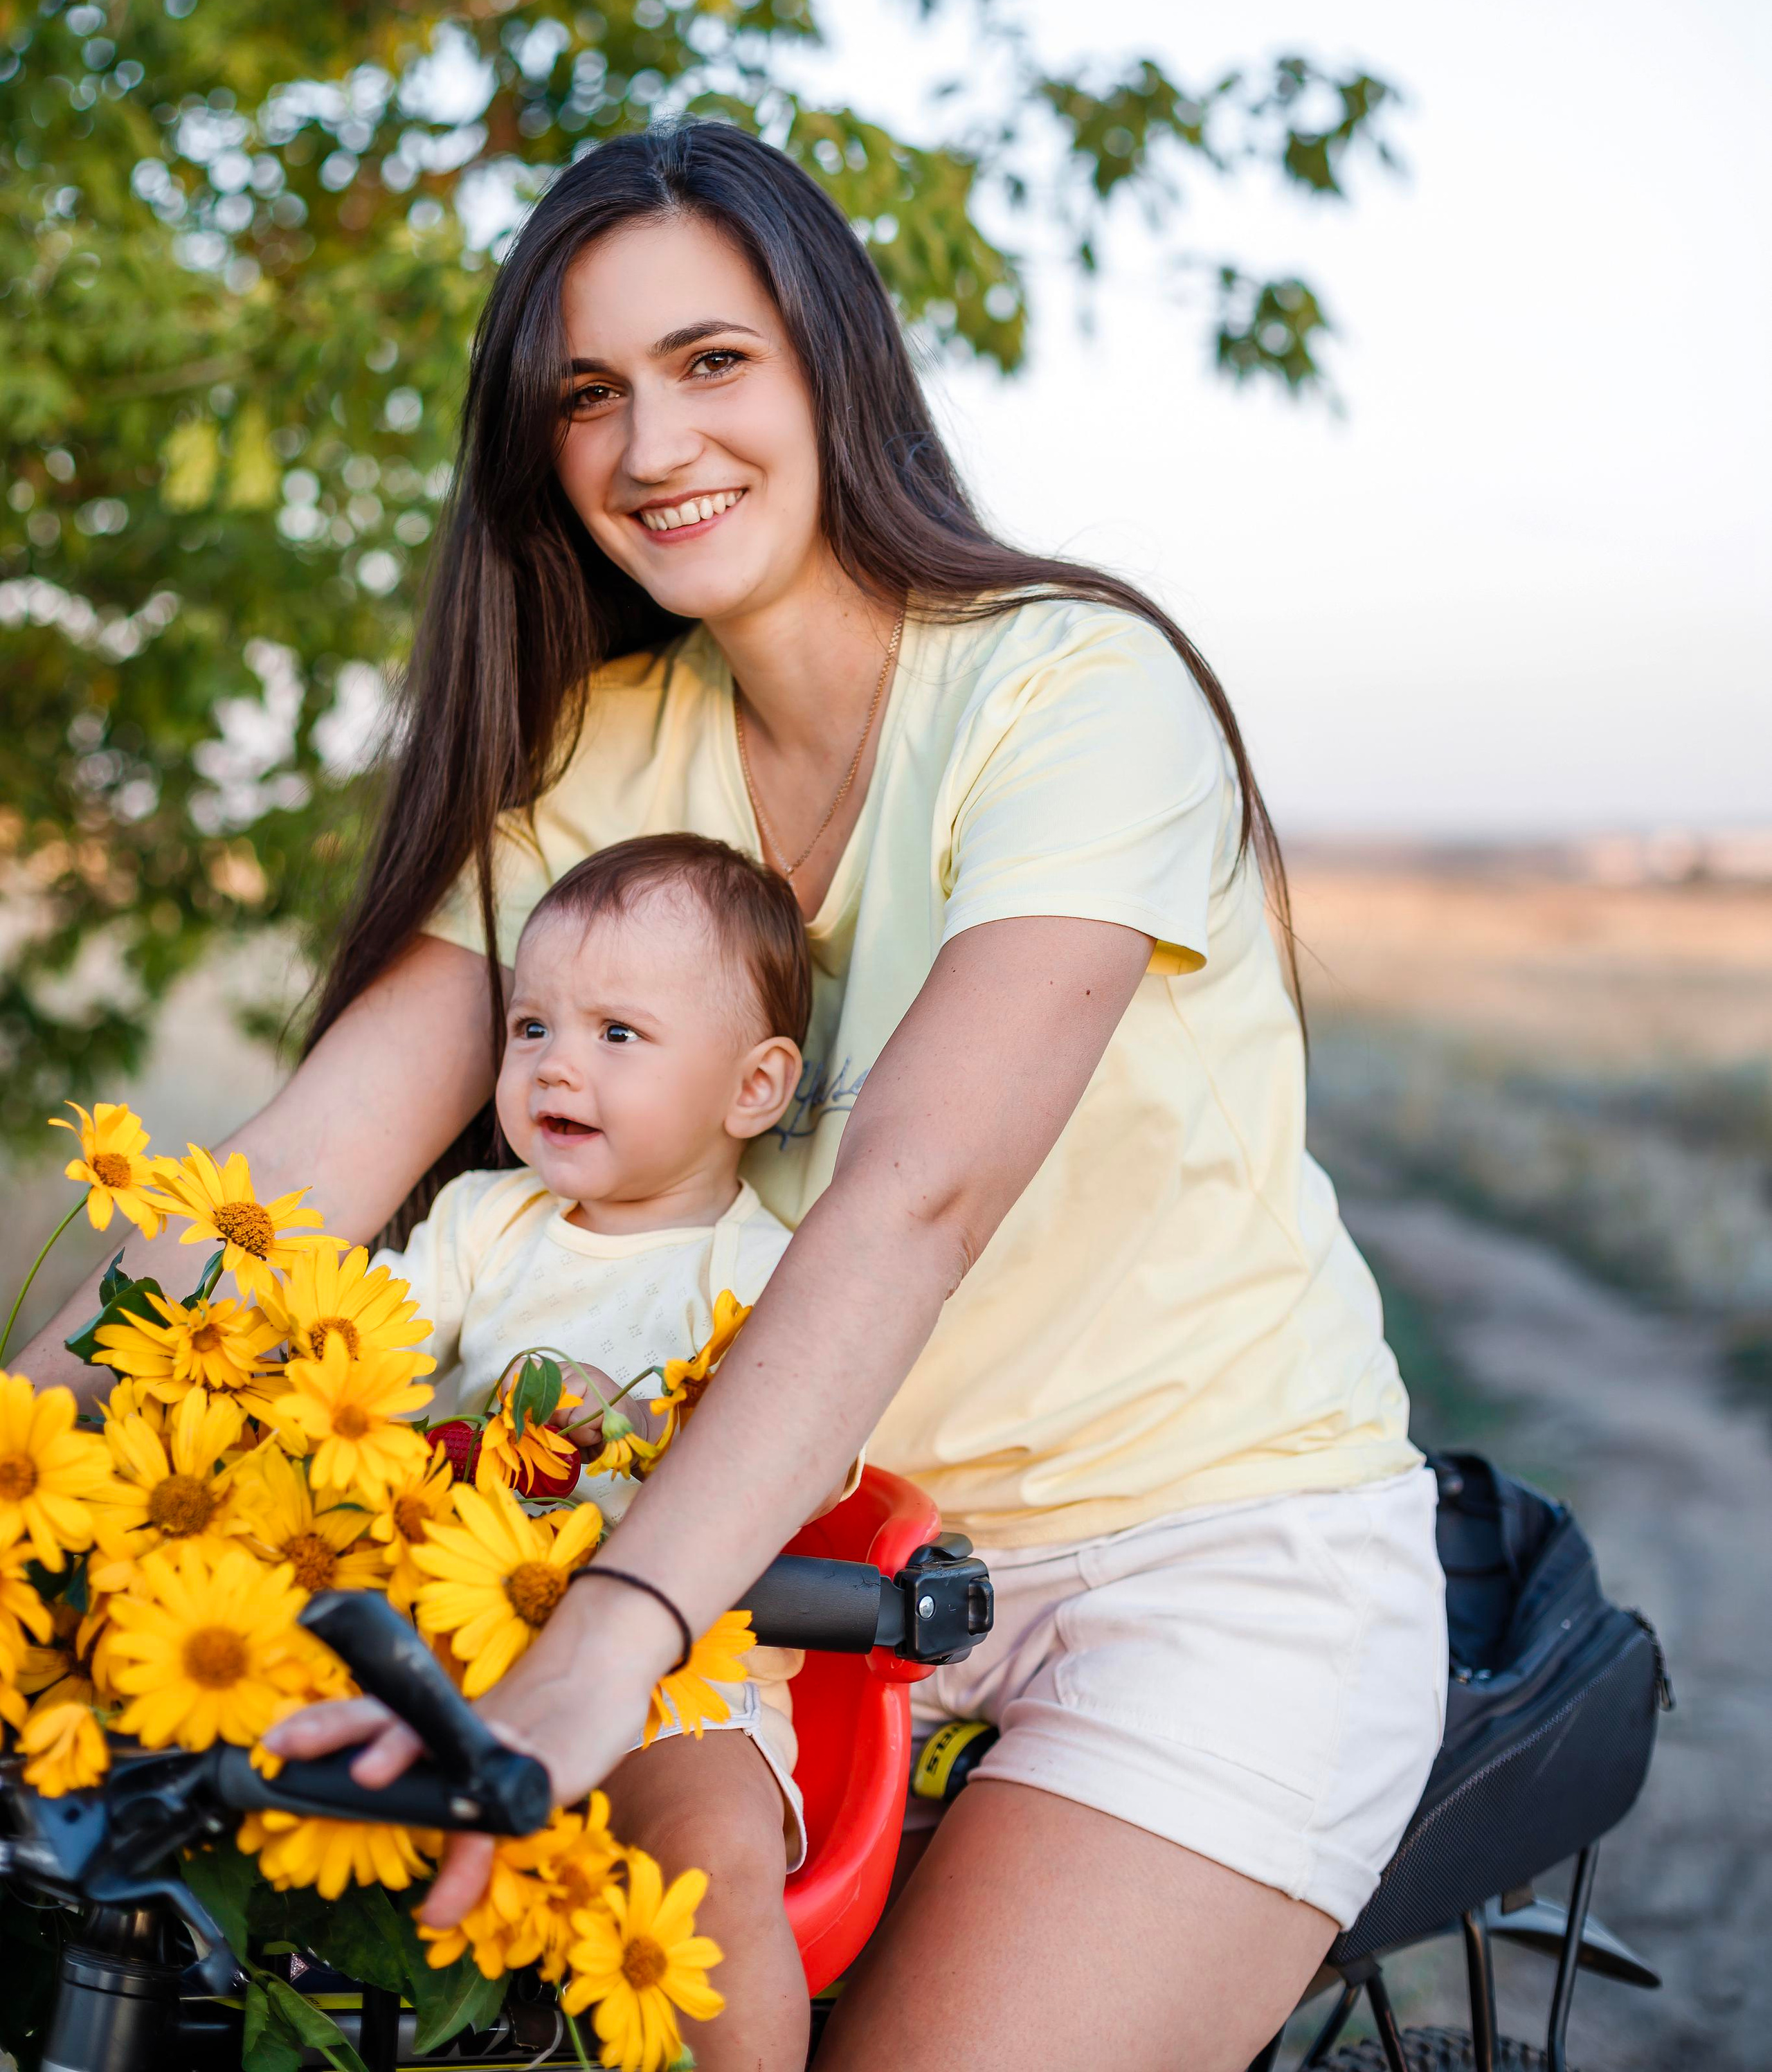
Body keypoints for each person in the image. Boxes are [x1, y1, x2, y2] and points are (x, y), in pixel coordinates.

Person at [21, 123, 1445, 2072]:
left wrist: (606, 1635)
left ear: (831, 364)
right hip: (762, 1576)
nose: (649, 444)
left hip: (1181, 1553)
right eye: (586, 394)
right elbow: (296, 1172)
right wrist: (30, 1471)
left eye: (712, 362)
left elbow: (913, 1202)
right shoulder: (603, 745)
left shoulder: (1068, 691)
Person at [383, 830, 824, 2067]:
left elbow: (812, 1452)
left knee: (708, 1868)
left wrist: (634, 1422)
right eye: (533, 1029)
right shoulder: (485, 1221)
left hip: (678, 1679)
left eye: (616, 1036)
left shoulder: (764, 1272)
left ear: (753, 1087)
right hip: (452, 1632)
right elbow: (374, 1353)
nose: (557, 1066)